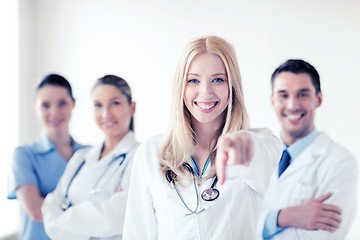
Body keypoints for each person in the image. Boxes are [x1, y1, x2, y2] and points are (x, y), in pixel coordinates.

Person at [122, 36, 282, 240]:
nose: (205, 92)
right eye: (193, 80)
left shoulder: (263, 141)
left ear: (232, 86)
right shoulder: (151, 151)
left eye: (218, 79)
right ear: (181, 86)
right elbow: (137, 233)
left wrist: (243, 143)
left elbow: (258, 151)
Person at [256, 59, 358, 239]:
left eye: (302, 94)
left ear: (318, 99)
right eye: (283, 95)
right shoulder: (256, 154)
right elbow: (235, 224)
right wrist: (284, 217)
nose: (292, 105)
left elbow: (325, 237)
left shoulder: (341, 161)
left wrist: (262, 224)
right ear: (272, 100)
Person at [41, 74, 139, 240]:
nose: (106, 114)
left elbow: (115, 217)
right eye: (98, 105)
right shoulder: (80, 158)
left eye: (115, 103)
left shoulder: (140, 156)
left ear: (132, 107)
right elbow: (50, 206)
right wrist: (88, 221)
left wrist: (62, 219)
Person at [7, 74, 87, 240]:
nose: (54, 112)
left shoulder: (91, 154)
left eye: (62, 103)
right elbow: (36, 210)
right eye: (45, 105)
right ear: (35, 108)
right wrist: (89, 213)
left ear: (73, 104)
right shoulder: (24, 155)